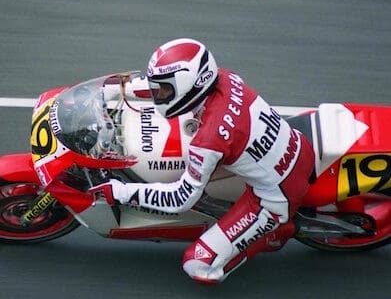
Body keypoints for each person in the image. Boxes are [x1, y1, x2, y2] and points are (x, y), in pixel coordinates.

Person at [95, 38, 315, 283]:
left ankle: (274, 232)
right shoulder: (224, 77)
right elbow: (169, 88)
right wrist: (114, 90)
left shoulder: (209, 140)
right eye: (159, 89)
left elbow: (180, 199)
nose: (159, 96)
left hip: (275, 195)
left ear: (191, 84)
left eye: (165, 90)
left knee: (197, 264)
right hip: (295, 144)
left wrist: (121, 192)